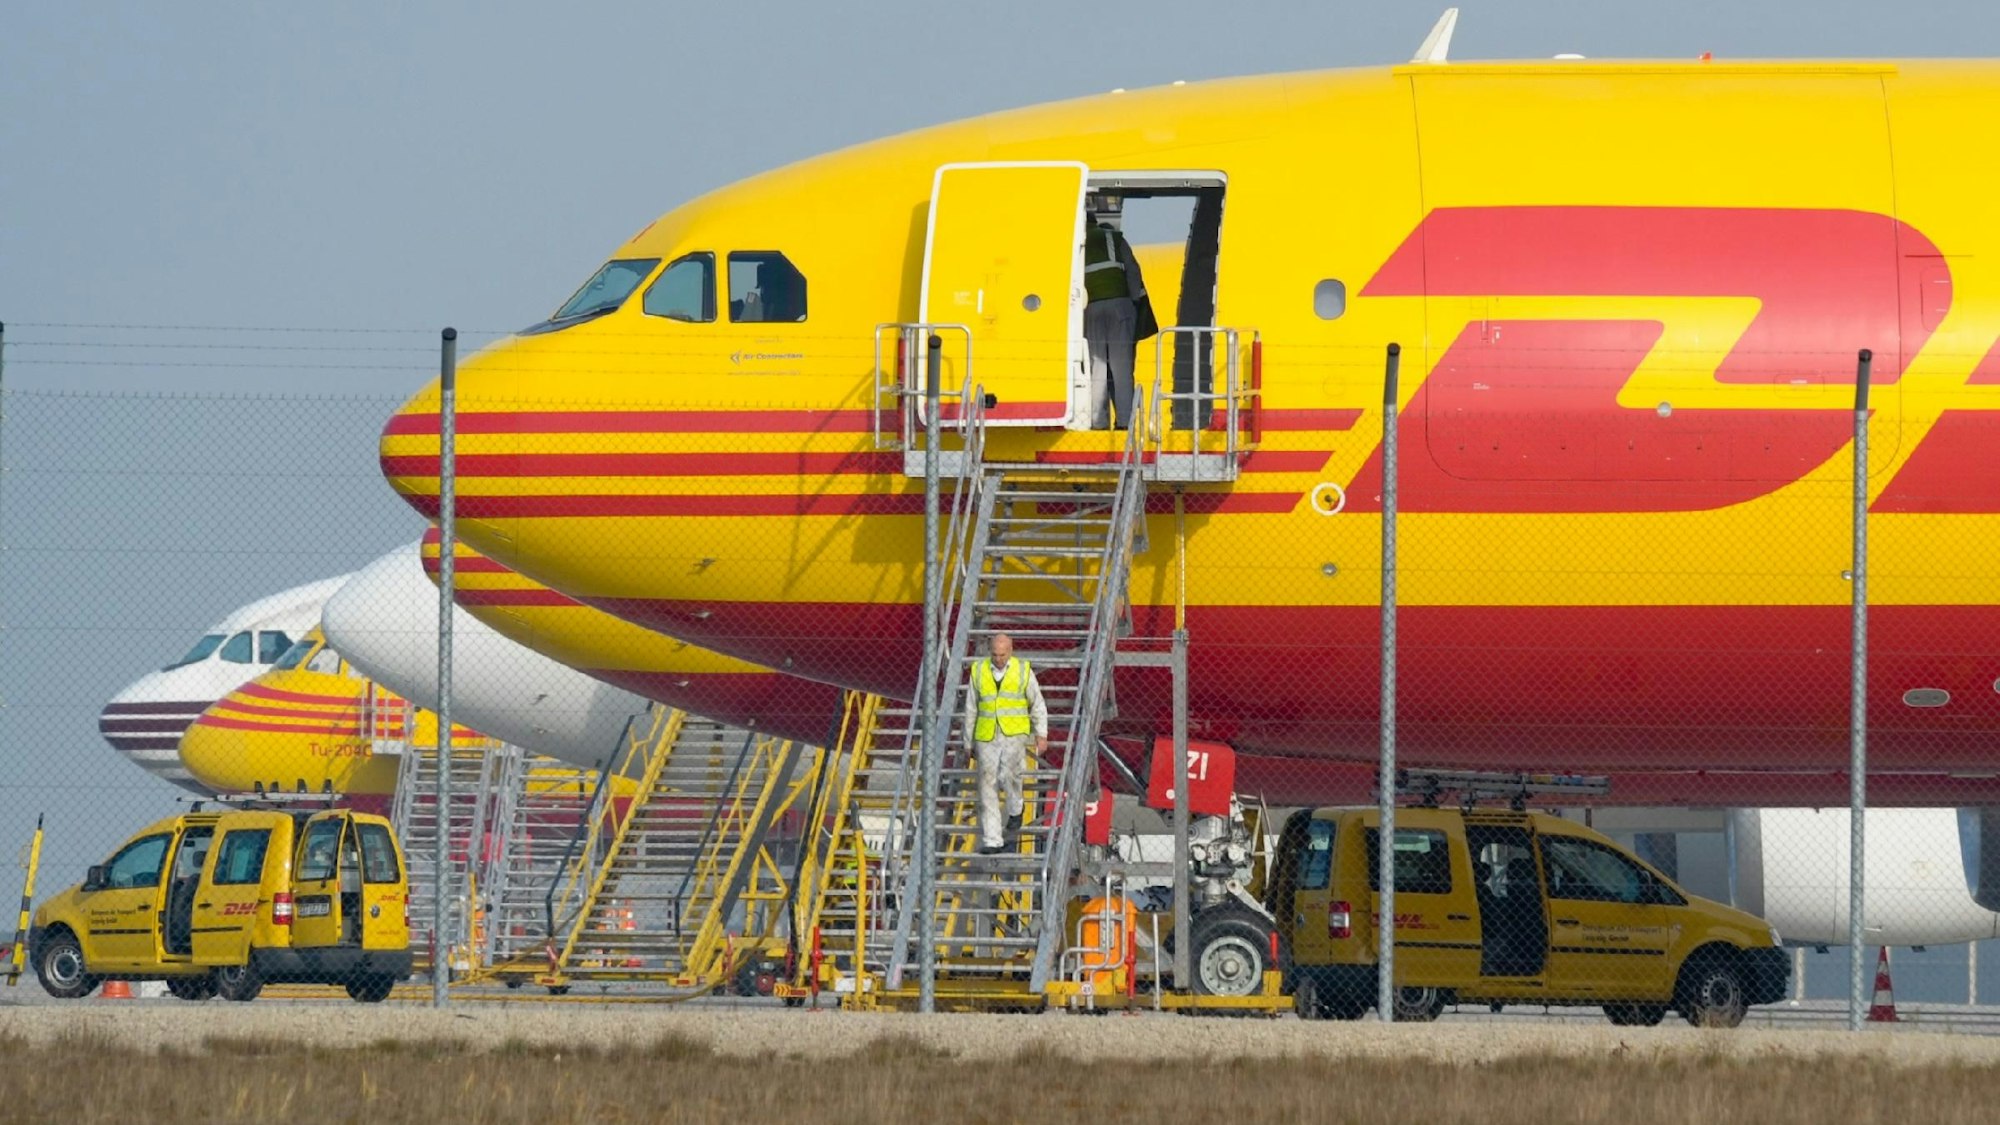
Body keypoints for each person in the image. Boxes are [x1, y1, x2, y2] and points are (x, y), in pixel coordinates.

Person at [963, 633, 1049, 855]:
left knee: (1009, 775)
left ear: (1010, 651)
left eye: (1002, 655)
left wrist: (1041, 733)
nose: (998, 659)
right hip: (987, 735)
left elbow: (1037, 703)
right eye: (994, 655)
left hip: (1013, 733)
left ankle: (1016, 808)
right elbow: (971, 708)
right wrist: (967, 741)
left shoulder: (1022, 671)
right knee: (986, 785)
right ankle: (993, 840)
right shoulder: (978, 671)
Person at [1081, 193, 1153, 430]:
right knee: (1121, 367)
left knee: (1096, 366)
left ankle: (1097, 422)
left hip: (1090, 309)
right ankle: (1125, 422)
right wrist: (1133, 301)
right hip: (1119, 306)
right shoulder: (1114, 237)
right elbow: (1133, 271)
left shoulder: (1076, 243)